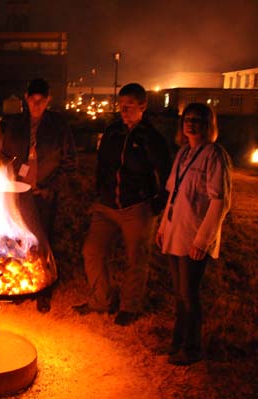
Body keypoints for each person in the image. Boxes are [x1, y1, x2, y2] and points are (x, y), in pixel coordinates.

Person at [75, 83, 172, 326]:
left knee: (136, 258)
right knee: (92, 250)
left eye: (129, 106)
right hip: (107, 205)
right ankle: (101, 300)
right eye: (121, 106)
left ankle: (130, 306)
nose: (124, 111)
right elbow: (102, 163)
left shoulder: (152, 138)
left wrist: (158, 203)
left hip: (137, 206)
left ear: (143, 106)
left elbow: (167, 172)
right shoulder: (113, 132)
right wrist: (100, 191)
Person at [156, 103, 232, 365]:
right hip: (176, 231)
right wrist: (163, 227)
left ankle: (192, 348)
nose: (191, 123)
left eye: (198, 119)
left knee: (189, 295)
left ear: (208, 124)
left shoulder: (214, 155)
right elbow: (173, 194)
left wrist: (203, 240)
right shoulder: (183, 153)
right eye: (187, 119)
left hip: (193, 237)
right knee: (180, 294)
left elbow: (220, 201)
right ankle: (177, 343)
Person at [0, 78, 77, 313]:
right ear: (26, 98)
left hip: (43, 195)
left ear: (48, 100)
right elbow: (3, 156)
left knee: (43, 243)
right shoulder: (14, 125)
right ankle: (21, 286)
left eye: (41, 101)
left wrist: (50, 188)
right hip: (18, 195)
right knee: (16, 241)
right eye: (33, 100)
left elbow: (69, 162)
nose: (37, 105)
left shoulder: (58, 126)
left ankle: (43, 290)